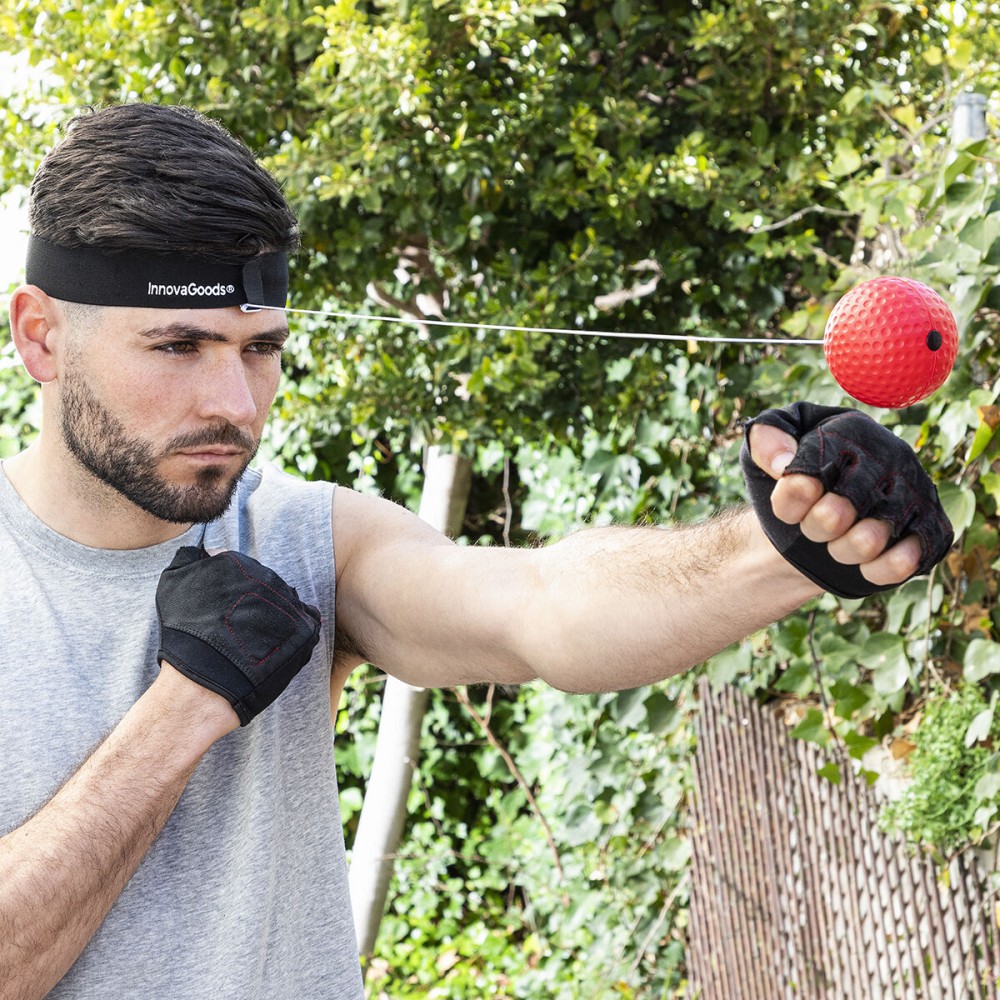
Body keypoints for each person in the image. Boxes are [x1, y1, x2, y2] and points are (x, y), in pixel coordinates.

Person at [0, 103, 952, 999]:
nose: (239, 406)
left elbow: (538, 608)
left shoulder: (299, 537)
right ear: (41, 336)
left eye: (261, 349)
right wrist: (184, 710)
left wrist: (777, 547)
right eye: (177, 347)